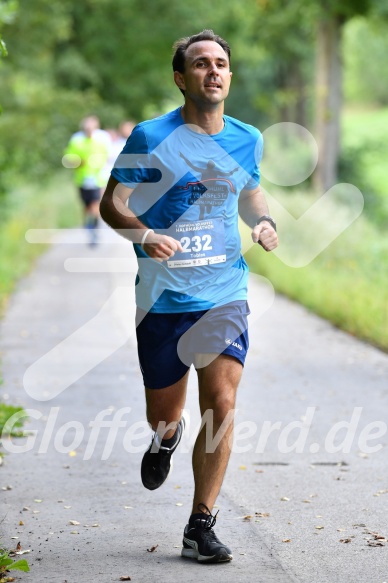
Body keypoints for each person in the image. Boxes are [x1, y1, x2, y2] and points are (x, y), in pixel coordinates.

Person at [100, 29, 278, 563]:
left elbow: (250, 192)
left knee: (221, 404)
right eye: (201, 64)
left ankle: (201, 523)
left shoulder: (246, 138)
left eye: (221, 63)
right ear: (182, 79)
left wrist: (264, 220)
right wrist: (145, 234)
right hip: (163, 300)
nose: (213, 71)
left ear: (229, 74)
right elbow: (113, 205)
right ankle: (165, 439)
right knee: (166, 413)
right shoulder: (151, 137)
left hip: (224, 293)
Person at [63, 115, 109, 246]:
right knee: (86, 205)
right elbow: (69, 157)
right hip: (81, 178)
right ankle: (88, 224)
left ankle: (94, 229)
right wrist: (76, 162)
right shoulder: (76, 139)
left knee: (95, 204)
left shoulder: (101, 138)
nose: (89, 130)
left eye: (91, 128)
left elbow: (107, 155)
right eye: (86, 128)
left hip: (97, 178)